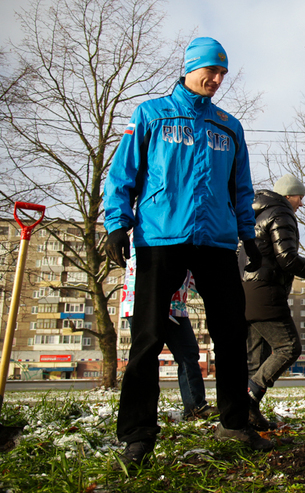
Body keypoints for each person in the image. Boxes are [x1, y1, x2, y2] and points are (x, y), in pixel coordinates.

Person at [104, 37, 272, 467]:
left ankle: (235, 422)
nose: (216, 80)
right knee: (148, 337)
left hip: (215, 240)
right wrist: (116, 222)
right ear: (189, 67)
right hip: (161, 236)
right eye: (209, 71)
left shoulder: (228, 126)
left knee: (232, 333)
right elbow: (123, 173)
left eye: (222, 74)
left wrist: (247, 235)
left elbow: (241, 186)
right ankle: (138, 434)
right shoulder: (151, 114)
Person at [242, 174, 305, 429]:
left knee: (256, 357)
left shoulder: (253, 213)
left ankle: (246, 417)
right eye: (300, 197)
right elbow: (287, 257)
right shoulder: (281, 213)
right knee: (289, 347)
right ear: (288, 196)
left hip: (246, 290)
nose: (301, 203)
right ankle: (249, 397)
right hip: (266, 292)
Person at [120, 243, 218, 421]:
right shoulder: (148, 228)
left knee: (188, 353)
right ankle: (140, 414)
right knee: (145, 357)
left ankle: (195, 407)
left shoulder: (188, 233)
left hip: (176, 306)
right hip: (144, 301)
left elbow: (193, 273)